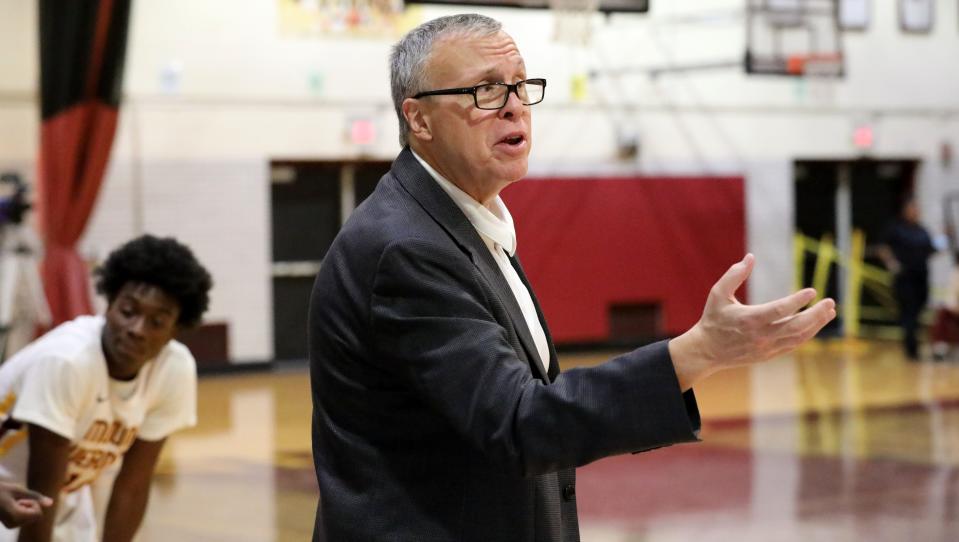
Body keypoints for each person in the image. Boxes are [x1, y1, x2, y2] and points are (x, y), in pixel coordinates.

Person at [308, 14, 836, 542]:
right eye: (486, 89)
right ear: (418, 119)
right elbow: (519, 421)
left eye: (518, 85)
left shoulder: (460, 223)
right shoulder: (407, 248)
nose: (514, 104)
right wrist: (696, 353)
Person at [0, 234, 212, 542]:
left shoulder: (174, 369)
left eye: (156, 322)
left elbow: (133, 486)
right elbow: (39, 494)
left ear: (174, 331)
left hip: (63, 494)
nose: (137, 329)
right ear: (109, 303)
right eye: (129, 311)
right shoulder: (68, 361)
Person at [878, 197, 938, 360]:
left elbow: (932, 249)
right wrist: (892, 264)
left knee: (918, 312)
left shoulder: (922, 230)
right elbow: (883, 248)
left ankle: (915, 347)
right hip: (905, 279)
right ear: (905, 210)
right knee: (908, 313)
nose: (915, 212)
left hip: (921, 278)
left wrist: (945, 240)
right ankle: (911, 350)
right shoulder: (896, 228)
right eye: (912, 208)